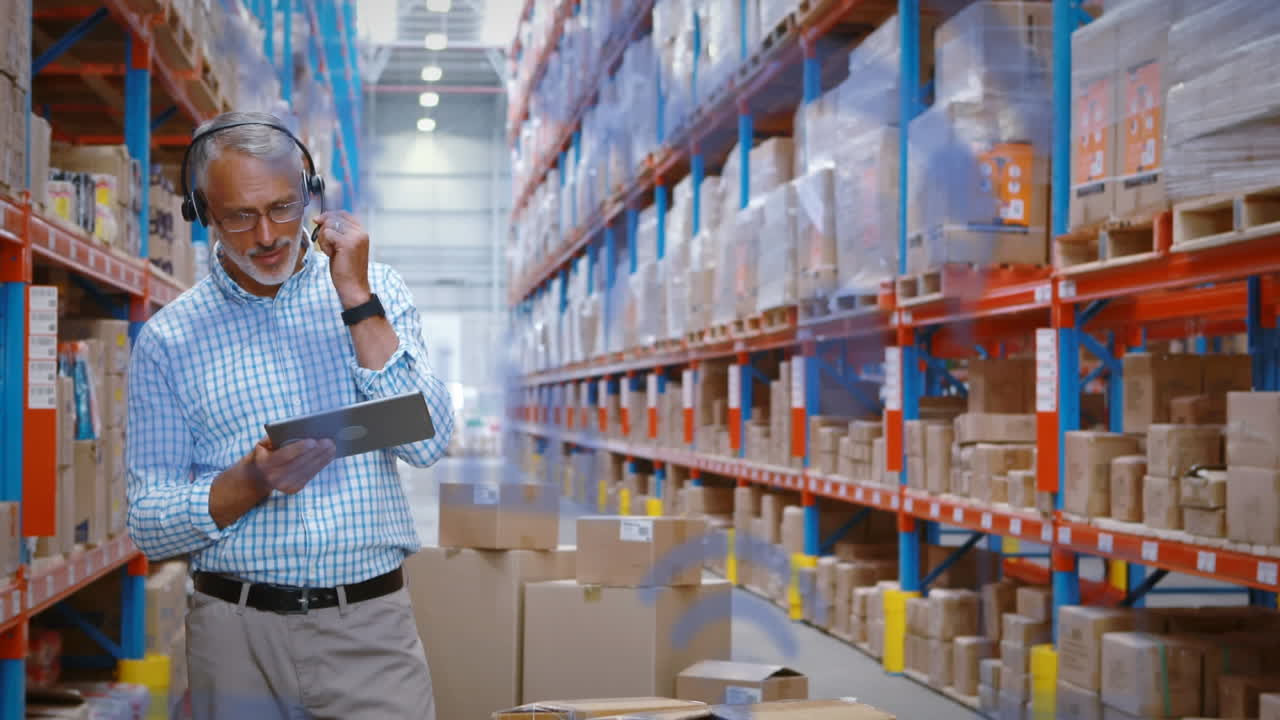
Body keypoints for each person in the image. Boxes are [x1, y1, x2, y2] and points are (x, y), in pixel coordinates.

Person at [125, 111, 452, 720]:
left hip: (369, 632)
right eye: (240, 217)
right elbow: (148, 522)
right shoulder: (169, 340)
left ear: (311, 193)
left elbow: (427, 441)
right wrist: (247, 485)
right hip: (235, 639)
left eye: (283, 207)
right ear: (201, 215)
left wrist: (355, 297)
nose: (269, 234)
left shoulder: (376, 290)